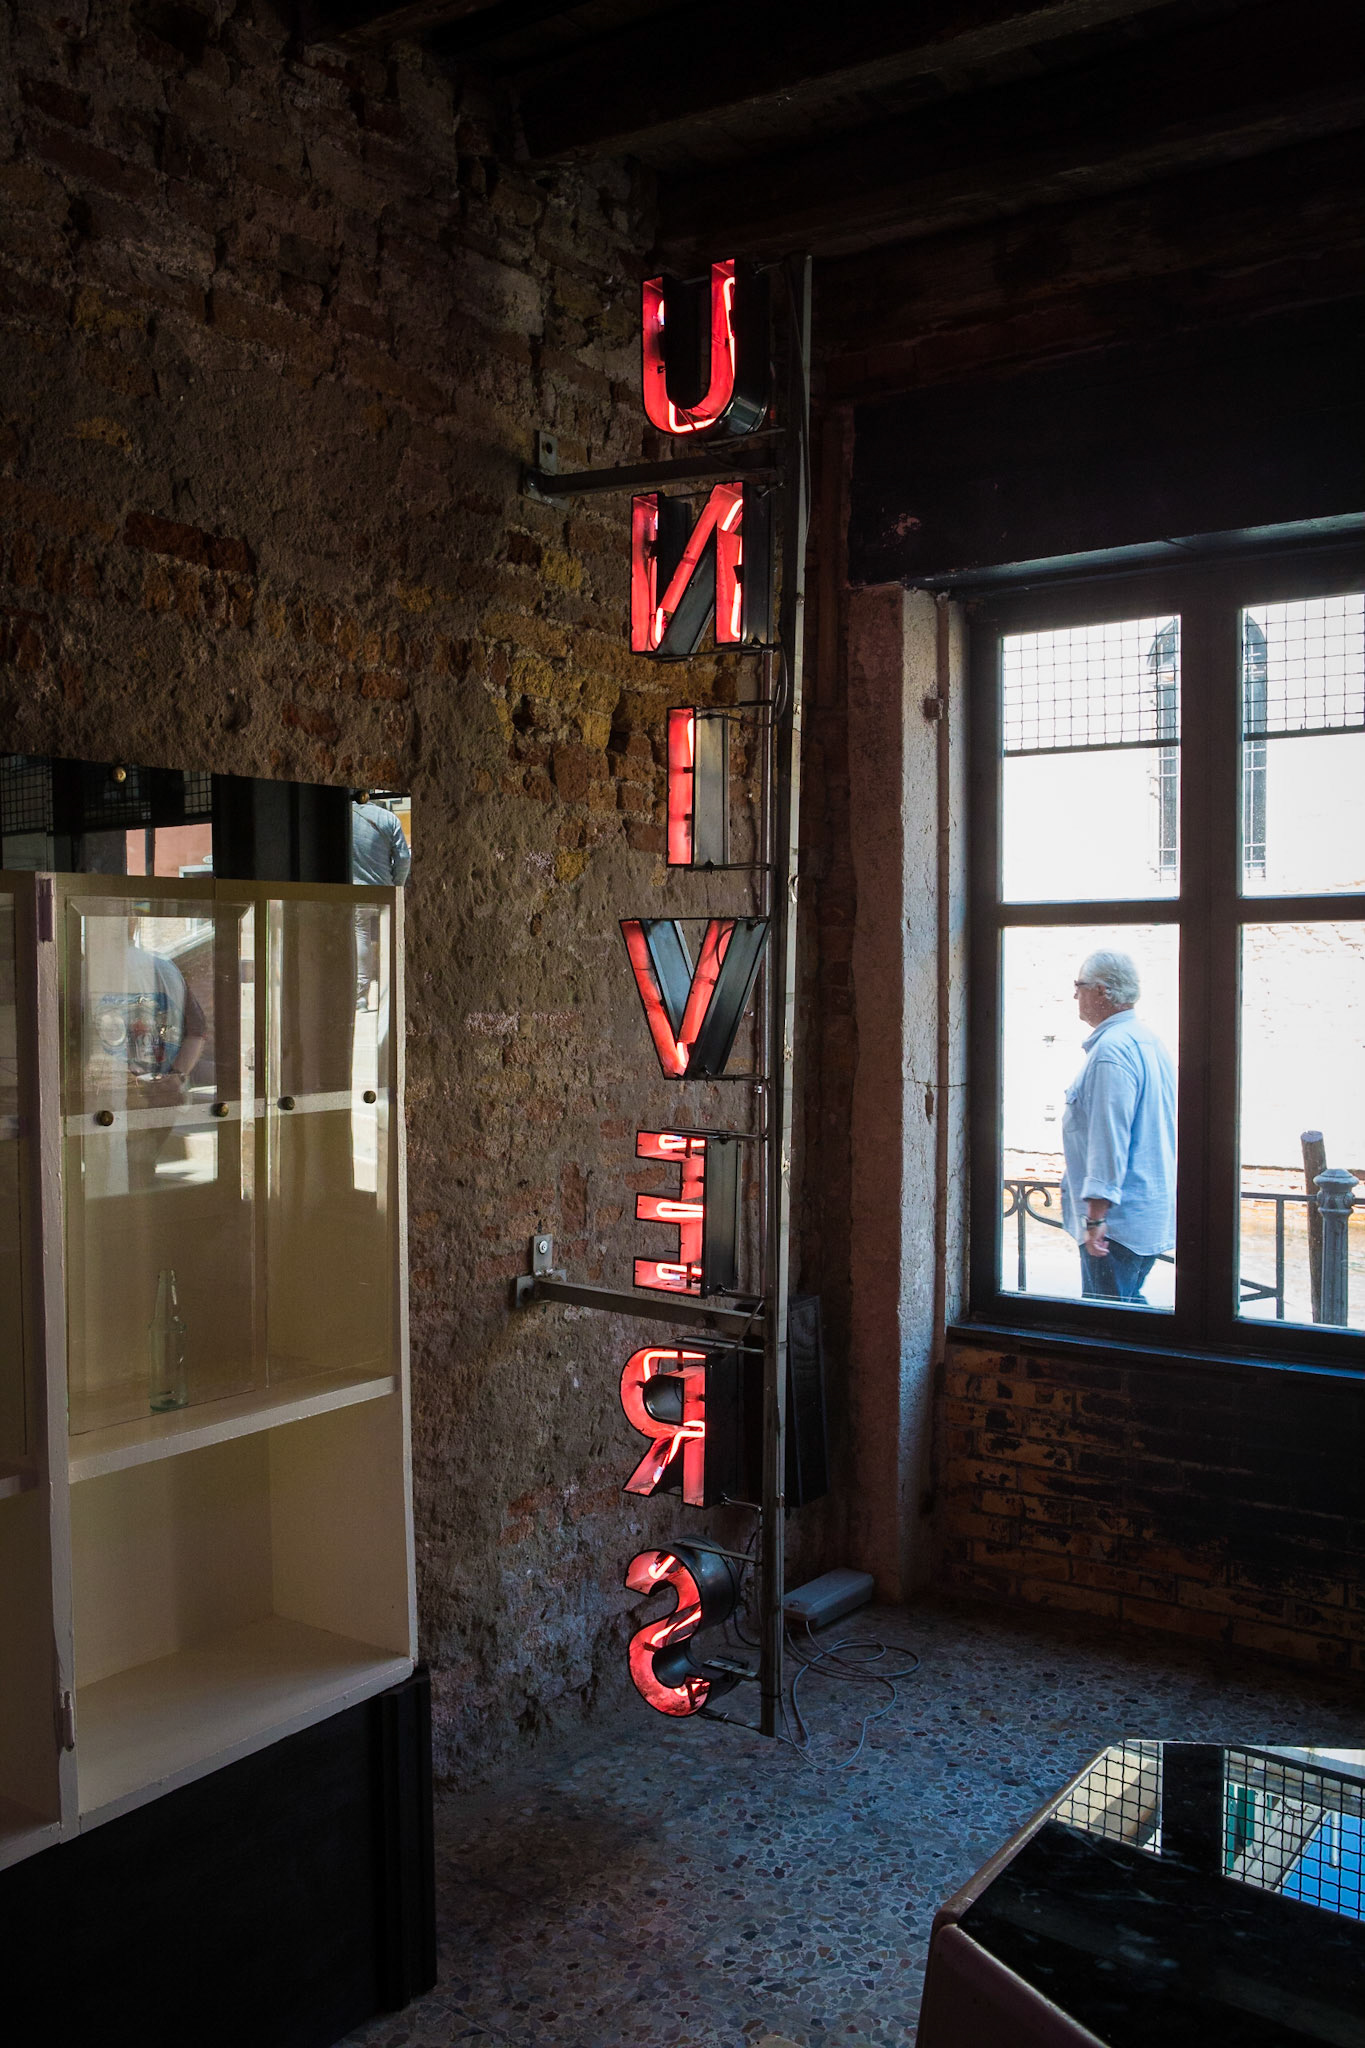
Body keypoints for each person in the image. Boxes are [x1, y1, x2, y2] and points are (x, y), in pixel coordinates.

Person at [1061, 950, 1176, 1304]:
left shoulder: (1111, 1051)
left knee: (1107, 1324)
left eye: (1079, 985)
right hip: (1142, 1216)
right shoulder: (1147, 1041)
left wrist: (1096, 1219)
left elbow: (1108, 1139)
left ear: (1101, 991)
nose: (1075, 994)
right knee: (1127, 1313)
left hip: (1116, 1226)